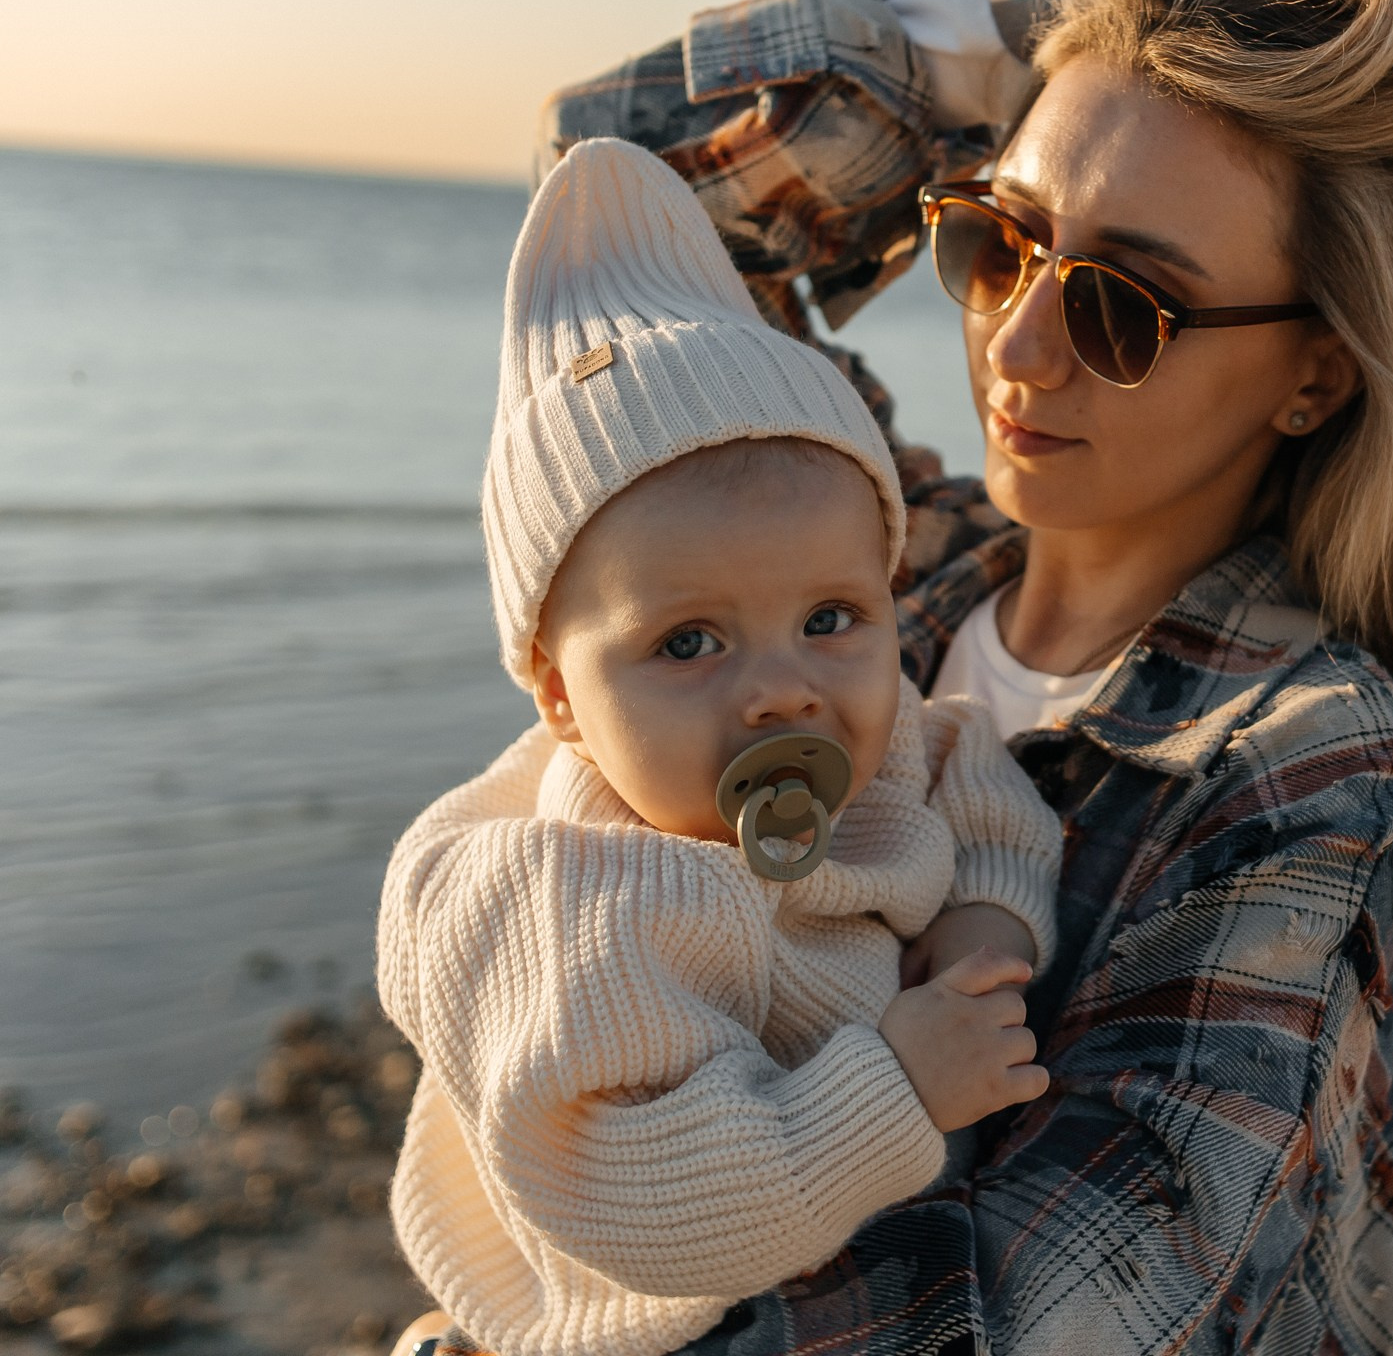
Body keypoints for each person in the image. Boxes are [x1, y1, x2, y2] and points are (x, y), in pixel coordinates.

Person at [431, 0, 1393, 1355]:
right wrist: (1009, 46)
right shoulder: (871, 572)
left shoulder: (1308, 771)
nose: (1016, 346)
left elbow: (1054, 1317)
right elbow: (616, 192)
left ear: (1316, 376)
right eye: (997, 242)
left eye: (1123, 305)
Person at [378, 137, 1062, 1356]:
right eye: (690, 642)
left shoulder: (887, 734)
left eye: (830, 618)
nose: (782, 692)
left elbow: (983, 783)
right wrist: (893, 1090)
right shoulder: (573, 901)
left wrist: (988, 920)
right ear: (562, 698)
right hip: (639, 1311)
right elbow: (651, 1208)